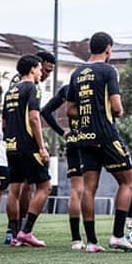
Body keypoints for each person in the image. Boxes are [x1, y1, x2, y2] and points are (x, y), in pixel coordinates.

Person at [66, 31, 132, 252]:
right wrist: (111, 111)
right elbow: (116, 108)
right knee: (128, 182)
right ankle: (117, 235)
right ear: (108, 48)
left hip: (84, 137)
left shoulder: (76, 73)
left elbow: (69, 109)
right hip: (106, 135)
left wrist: (88, 114)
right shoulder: (109, 70)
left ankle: (91, 242)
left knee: (89, 189)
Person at [3, 55, 52, 247]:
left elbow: (5, 122)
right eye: (40, 69)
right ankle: (27, 231)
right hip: (27, 146)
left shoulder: (11, 91)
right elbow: (34, 117)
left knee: (13, 190)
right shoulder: (32, 88)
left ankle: (15, 236)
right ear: (32, 69)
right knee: (45, 186)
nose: (41, 73)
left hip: (11, 146)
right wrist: (41, 146)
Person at [41, 84, 86, 248]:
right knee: (122, 178)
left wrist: (62, 132)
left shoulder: (68, 88)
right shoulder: (96, 85)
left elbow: (45, 111)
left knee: (76, 190)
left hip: (73, 141)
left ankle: (76, 239)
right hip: (92, 140)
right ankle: (93, 239)